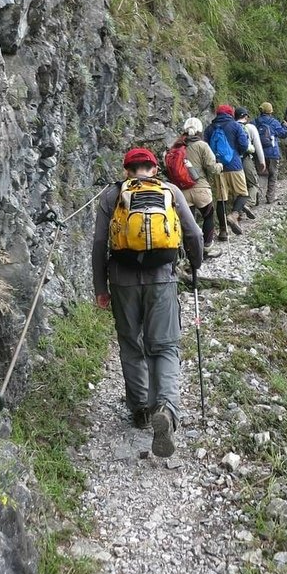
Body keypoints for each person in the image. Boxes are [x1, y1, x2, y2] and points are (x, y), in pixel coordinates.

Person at [92, 147, 203, 457]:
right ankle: (166, 409)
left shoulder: (112, 195)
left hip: (122, 279)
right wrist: (196, 264)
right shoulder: (169, 190)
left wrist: (101, 287)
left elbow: (100, 243)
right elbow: (193, 234)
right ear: (154, 169)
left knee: (131, 344)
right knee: (165, 346)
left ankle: (140, 409)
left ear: (127, 170)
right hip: (162, 278)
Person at [165, 117, 223, 256]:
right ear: (200, 130)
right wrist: (220, 166)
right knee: (208, 216)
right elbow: (212, 168)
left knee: (189, 224)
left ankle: (190, 253)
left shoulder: (176, 147)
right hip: (201, 188)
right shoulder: (202, 145)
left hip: (181, 192)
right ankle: (207, 248)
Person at [204, 104, 250, 238]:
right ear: (231, 114)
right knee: (243, 194)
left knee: (221, 199)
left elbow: (206, 148)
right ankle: (234, 215)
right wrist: (237, 154)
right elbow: (244, 145)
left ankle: (223, 231)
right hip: (234, 165)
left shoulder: (210, 128)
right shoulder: (235, 126)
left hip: (218, 167)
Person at [255, 102, 287, 203]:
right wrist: (285, 126)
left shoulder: (255, 122)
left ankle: (257, 198)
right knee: (273, 175)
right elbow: (284, 134)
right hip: (272, 153)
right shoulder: (274, 122)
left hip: (259, 153)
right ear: (270, 111)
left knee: (260, 174)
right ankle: (270, 197)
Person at [234, 106, 266, 217]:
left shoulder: (232, 127)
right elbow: (258, 146)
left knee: (240, 187)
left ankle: (238, 213)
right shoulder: (250, 127)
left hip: (233, 161)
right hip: (246, 159)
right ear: (245, 116)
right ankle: (248, 203)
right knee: (253, 184)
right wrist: (262, 162)